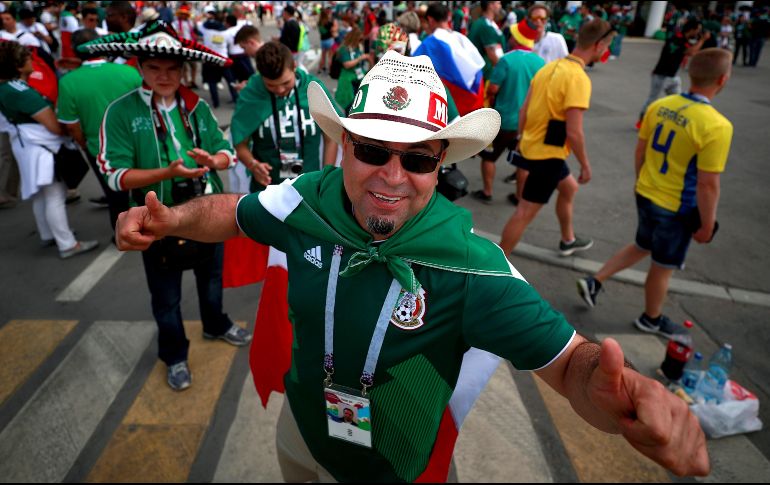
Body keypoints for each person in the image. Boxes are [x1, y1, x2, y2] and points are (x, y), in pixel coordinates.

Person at [114, 49, 709, 483]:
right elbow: (236, 213)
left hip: (393, 469)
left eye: (418, 159)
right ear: (344, 145)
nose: (392, 177)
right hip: (300, 431)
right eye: (372, 150)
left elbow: (569, 363)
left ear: (441, 160)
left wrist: (613, 391)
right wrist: (172, 218)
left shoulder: (471, 266)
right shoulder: (306, 201)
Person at [78, 20, 252, 391]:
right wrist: (166, 172)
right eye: (154, 68)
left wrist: (215, 161)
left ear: (183, 69)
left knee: (211, 279)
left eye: (172, 68)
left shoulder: (195, 104)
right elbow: (113, 175)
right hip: (155, 218)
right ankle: (174, 355)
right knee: (166, 296)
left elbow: (225, 153)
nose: (164, 76)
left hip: (206, 210)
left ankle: (216, 323)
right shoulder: (122, 112)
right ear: (139, 68)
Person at [577, 48, 733, 337]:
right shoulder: (717, 125)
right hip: (676, 207)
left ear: (689, 70)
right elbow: (707, 183)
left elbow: (641, 150)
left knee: (642, 244)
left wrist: (642, 182)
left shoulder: (660, 105)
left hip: (646, 191)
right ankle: (651, 317)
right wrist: (707, 224)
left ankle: (595, 280)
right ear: (723, 79)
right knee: (663, 266)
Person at [499, 19, 616, 257]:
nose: (606, 51)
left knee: (569, 187)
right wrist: (585, 164)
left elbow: (524, 110)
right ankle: (493, 269)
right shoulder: (578, 78)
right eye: (607, 46)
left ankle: (568, 239)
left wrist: (522, 138)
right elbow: (574, 131)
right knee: (524, 211)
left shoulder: (548, 68)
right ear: (599, 45)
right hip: (547, 156)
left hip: (535, 147)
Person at [0, 40, 98, 258]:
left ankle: (49, 234)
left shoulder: (7, 88)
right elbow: (54, 127)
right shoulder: (21, 92)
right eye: (28, 58)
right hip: (41, 149)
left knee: (41, 195)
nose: (32, 61)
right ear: (17, 66)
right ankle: (67, 244)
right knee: (55, 194)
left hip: (27, 147)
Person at [56, 28, 141, 225]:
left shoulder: (68, 82)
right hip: (135, 142)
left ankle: (122, 233)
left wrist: (85, 144)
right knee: (142, 187)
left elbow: (72, 126)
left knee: (114, 194)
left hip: (98, 148)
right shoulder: (129, 72)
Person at [230, 41, 340, 192]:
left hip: (310, 188)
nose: (280, 90)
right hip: (268, 190)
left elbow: (331, 136)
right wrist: (253, 165)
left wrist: (326, 178)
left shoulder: (313, 89)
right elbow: (240, 143)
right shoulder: (252, 94)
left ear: (294, 66)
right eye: (271, 86)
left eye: (286, 82)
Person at [473, 18, 543, 205]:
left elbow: (493, 88)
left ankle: (487, 192)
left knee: (489, 156)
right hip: (526, 122)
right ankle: (519, 196)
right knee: (522, 160)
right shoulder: (541, 62)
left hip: (503, 120)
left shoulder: (506, 60)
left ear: (516, 37)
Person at [636, 19, 709, 130]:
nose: (698, 32)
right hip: (661, 75)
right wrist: (702, 40)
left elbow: (691, 51)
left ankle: (672, 124)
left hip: (672, 76)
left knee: (678, 101)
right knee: (652, 100)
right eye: (698, 30)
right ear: (692, 29)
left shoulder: (683, 39)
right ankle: (641, 122)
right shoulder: (677, 39)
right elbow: (690, 52)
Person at [198, 6, 237, 108]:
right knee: (230, 80)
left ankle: (216, 103)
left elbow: (197, 24)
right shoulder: (226, 32)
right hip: (223, 59)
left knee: (212, 82)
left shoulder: (205, 29)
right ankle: (235, 98)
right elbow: (229, 43)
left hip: (210, 60)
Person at [468, 0, 503, 97]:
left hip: (485, 74)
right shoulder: (485, 26)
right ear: (490, 5)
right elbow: (492, 55)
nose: (500, 6)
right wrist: (504, 74)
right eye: (498, 3)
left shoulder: (486, 24)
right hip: (486, 75)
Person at [334, 27, 370, 113]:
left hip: (358, 78)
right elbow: (346, 64)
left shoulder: (357, 47)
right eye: (359, 39)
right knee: (350, 106)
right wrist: (360, 58)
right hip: (348, 80)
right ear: (354, 38)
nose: (360, 42)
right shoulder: (344, 49)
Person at [174, 4, 198, 88]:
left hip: (191, 45)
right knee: (184, 66)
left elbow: (194, 32)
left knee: (194, 65)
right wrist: (176, 33)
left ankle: (193, 81)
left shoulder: (190, 22)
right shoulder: (176, 23)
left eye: (185, 14)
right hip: (182, 45)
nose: (183, 15)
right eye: (182, 13)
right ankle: (187, 82)